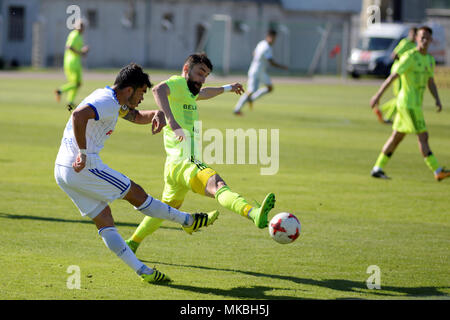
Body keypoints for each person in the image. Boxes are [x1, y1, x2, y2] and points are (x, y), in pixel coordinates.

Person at [54, 63, 219, 284]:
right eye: (142, 92)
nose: (142, 98)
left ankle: (144, 271)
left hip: (62, 170)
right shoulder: (107, 102)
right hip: (84, 165)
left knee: (105, 220)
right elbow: (78, 115)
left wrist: (157, 114)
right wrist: (83, 153)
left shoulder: (113, 100)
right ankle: (188, 220)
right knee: (136, 193)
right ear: (130, 89)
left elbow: (136, 116)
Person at [125, 53, 276, 253]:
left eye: (206, 75)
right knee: (218, 185)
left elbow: (203, 93)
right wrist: (171, 120)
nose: (202, 79)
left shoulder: (188, 92)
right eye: (199, 73)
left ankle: (132, 243)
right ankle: (253, 213)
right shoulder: (178, 82)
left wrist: (228, 88)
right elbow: (158, 89)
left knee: (163, 210)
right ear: (186, 70)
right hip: (187, 162)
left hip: (174, 167)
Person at [369, 26, 450, 182]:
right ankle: (437, 170)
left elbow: (430, 81)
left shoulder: (429, 60)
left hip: (414, 104)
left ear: (431, 40)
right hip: (408, 104)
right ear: (417, 39)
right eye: (422, 37)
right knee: (423, 136)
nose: (425, 40)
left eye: (427, 38)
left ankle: (377, 168)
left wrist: (437, 99)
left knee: (397, 136)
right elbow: (393, 77)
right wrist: (377, 95)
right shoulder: (410, 57)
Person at [233, 29, 288, 115]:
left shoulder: (261, 43)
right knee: (250, 91)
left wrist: (258, 60)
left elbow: (254, 53)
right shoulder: (266, 47)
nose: (274, 40)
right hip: (256, 71)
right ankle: (237, 109)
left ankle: (252, 99)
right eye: (273, 38)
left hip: (260, 71)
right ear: (269, 37)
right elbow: (271, 62)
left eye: (275, 38)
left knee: (269, 88)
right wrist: (282, 67)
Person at [375, 27, 417, 124]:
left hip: (405, 73)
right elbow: (394, 55)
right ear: (410, 34)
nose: (415, 37)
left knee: (401, 96)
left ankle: (383, 111)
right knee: (399, 97)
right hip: (398, 71)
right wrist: (403, 60)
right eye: (414, 35)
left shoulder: (414, 45)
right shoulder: (405, 43)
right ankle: (385, 114)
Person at [55, 20, 89, 112]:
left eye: (83, 26)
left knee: (77, 84)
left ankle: (70, 102)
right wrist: (80, 52)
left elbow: (78, 49)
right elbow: (69, 47)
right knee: (75, 83)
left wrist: (83, 51)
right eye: (80, 26)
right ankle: (59, 91)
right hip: (71, 62)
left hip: (76, 62)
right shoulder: (74, 34)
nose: (82, 28)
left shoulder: (79, 36)